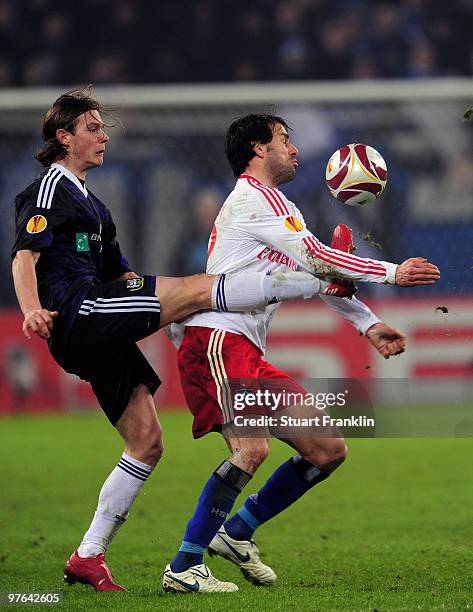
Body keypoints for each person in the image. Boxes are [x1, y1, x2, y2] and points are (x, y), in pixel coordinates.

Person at [11, 91, 356, 593]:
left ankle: (88, 555)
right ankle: (323, 279)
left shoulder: (96, 207)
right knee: (197, 288)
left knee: (147, 444)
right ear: (64, 138)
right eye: (91, 127)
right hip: (78, 312)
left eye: (102, 126)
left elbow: (122, 275)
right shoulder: (49, 189)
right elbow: (25, 256)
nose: (103, 134)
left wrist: (161, 311)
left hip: (101, 320)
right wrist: (30, 311)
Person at [162, 113, 440, 593]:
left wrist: (368, 323)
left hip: (245, 348)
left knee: (328, 449)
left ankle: (238, 532)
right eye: (284, 140)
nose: (294, 149)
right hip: (215, 340)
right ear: (257, 148)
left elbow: (315, 274)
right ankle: (185, 566)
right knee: (252, 449)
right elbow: (318, 259)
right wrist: (392, 272)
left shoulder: (279, 205)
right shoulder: (254, 199)